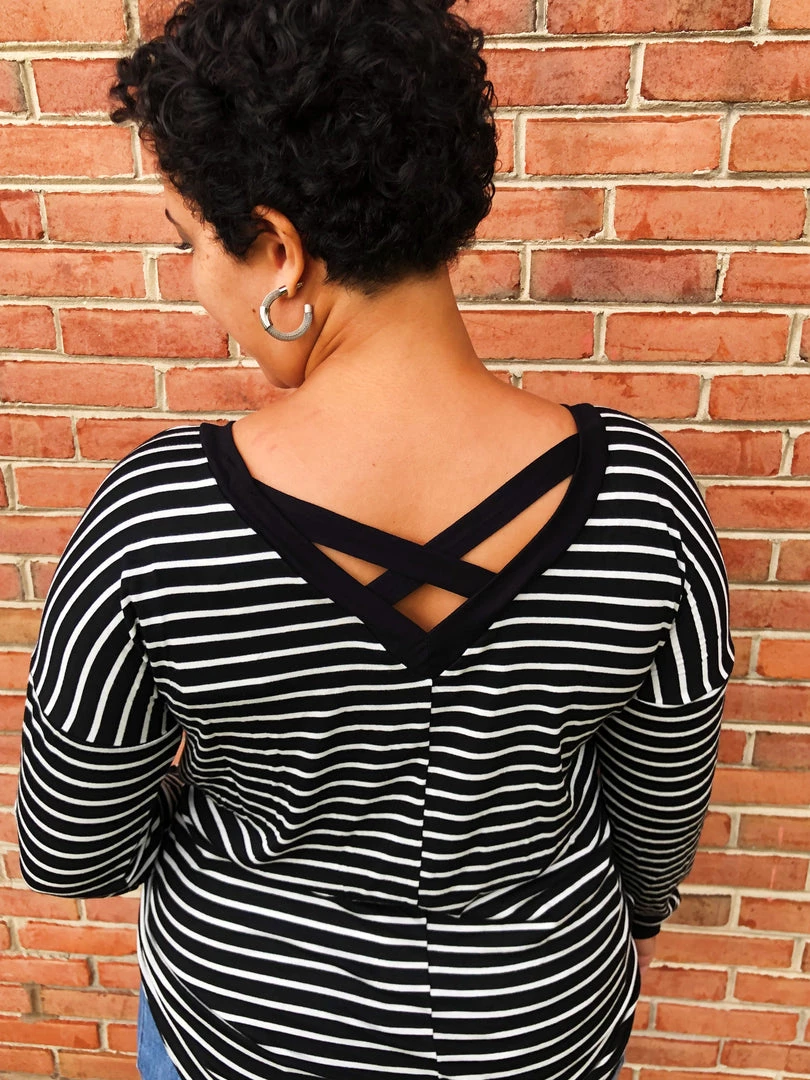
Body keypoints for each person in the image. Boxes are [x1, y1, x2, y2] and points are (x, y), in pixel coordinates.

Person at [14, 2, 734, 1079]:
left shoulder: (156, 519)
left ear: (281, 252)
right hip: (539, 1028)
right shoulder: (642, 495)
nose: (193, 278)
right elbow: (656, 824)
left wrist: (244, 834)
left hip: (246, 1032)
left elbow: (75, 846)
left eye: (188, 241)